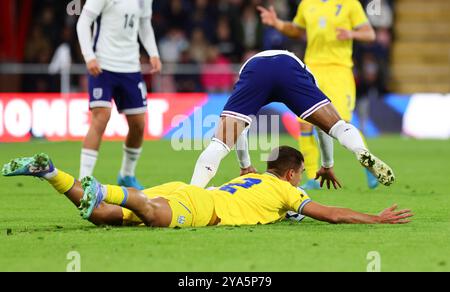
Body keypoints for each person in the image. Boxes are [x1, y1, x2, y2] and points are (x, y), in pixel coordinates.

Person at [1, 148, 412, 227]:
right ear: (291, 174)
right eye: (301, 174)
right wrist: (375, 217)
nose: (302, 181)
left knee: (103, 217)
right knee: (154, 215)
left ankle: (52, 172)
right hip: (202, 209)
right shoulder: (289, 193)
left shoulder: (248, 177)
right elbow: (333, 214)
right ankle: (104, 188)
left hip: (188, 188)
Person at [190, 50, 394, 189]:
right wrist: (327, 164)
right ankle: (361, 151)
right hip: (290, 67)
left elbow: (241, 130)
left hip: (254, 70)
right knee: (338, 126)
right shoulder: (308, 74)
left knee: (220, 143)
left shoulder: (246, 71)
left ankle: (191, 193)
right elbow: (321, 128)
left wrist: (245, 165)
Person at [258, 1, 379, 190]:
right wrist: (278, 23)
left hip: (339, 70)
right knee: (304, 121)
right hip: (312, 69)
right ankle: (314, 176)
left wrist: (352, 34)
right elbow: (297, 30)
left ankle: (368, 166)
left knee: (340, 124)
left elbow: (369, 33)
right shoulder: (307, 4)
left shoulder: (349, 4)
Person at [76, 0, 162, 190]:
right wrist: (89, 56)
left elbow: (145, 24)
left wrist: (153, 53)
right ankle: (84, 180)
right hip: (103, 66)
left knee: (139, 124)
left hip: (131, 68)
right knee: (101, 116)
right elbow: (83, 22)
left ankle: (126, 174)